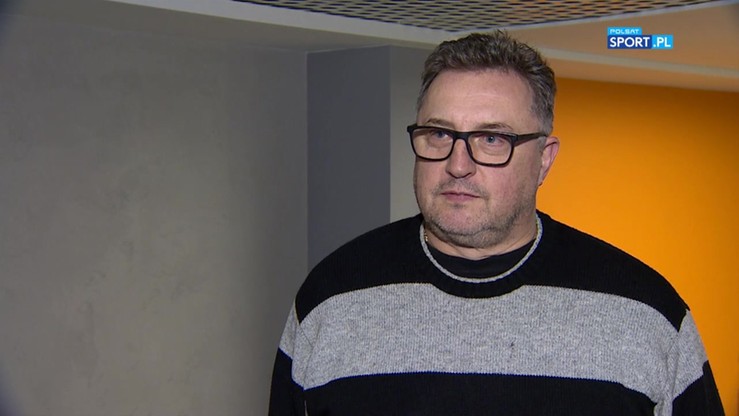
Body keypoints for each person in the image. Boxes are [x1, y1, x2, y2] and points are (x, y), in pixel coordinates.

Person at [268, 30, 724, 415]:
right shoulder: (331, 299)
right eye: (439, 133)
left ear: (544, 160)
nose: (457, 164)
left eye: (491, 139)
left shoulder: (644, 313)